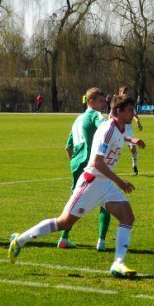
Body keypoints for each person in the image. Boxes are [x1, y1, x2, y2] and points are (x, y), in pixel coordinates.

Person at [8, 94, 144, 278]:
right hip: (91, 183)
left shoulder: (119, 128)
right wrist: (119, 182)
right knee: (64, 222)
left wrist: (132, 140)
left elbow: (119, 137)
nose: (132, 114)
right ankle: (19, 240)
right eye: (129, 110)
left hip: (105, 185)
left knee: (127, 217)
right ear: (118, 111)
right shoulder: (108, 129)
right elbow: (97, 162)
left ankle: (118, 264)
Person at [58, 87, 106, 250]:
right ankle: (101, 242)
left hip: (76, 163)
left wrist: (75, 161)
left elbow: (68, 147)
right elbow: (105, 127)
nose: (103, 104)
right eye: (101, 101)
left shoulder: (77, 120)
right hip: (90, 163)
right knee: (107, 198)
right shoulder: (95, 115)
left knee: (75, 201)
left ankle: (64, 238)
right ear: (91, 101)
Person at [116, 86, 143, 175]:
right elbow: (111, 115)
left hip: (128, 129)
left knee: (132, 148)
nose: (125, 93)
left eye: (126, 92)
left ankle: (134, 165)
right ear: (119, 92)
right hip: (118, 127)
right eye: (123, 92)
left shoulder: (129, 104)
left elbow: (134, 115)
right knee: (114, 147)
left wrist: (138, 122)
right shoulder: (116, 103)